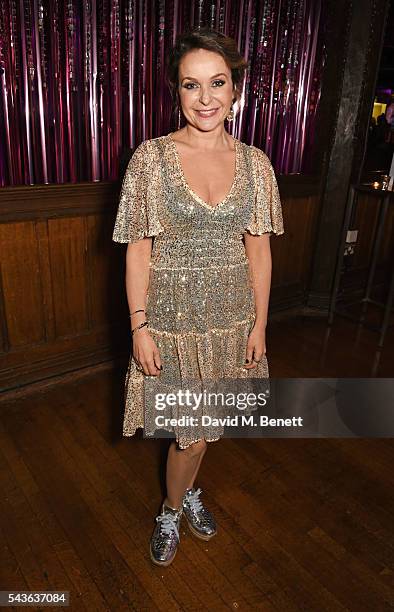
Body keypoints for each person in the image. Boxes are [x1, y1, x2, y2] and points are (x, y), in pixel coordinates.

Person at [112, 27, 284, 567]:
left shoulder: (256, 163)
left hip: (232, 318)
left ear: (236, 91)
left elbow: (259, 253)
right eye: (192, 85)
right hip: (173, 322)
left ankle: (183, 495)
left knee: (206, 429)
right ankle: (172, 507)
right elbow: (138, 251)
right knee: (192, 435)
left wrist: (259, 326)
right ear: (176, 92)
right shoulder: (151, 159)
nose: (206, 98)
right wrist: (139, 326)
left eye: (218, 83)